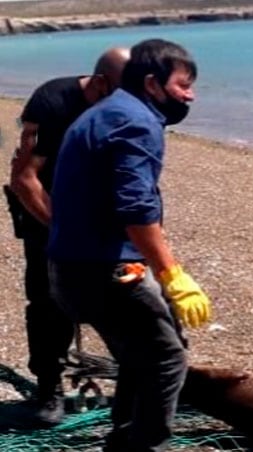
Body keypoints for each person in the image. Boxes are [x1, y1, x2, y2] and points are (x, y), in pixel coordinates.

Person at [47, 38, 211, 451]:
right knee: (167, 359)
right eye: (183, 85)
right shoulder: (136, 122)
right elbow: (135, 209)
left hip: (72, 266)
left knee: (140, 357)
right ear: (153, 84)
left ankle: (123, 442)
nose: (190, 95)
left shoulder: (106, 113)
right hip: (102, 270)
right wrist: (172, 275)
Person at [5, 46, 130, 426]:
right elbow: (24, 179)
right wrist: (64, 230)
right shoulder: (52, 101)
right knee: (47, 301)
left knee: (125, 293)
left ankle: (137, 382)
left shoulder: (127, 107)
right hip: (45, 206)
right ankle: (48, 388)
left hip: (97, 209)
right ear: (101, 82)